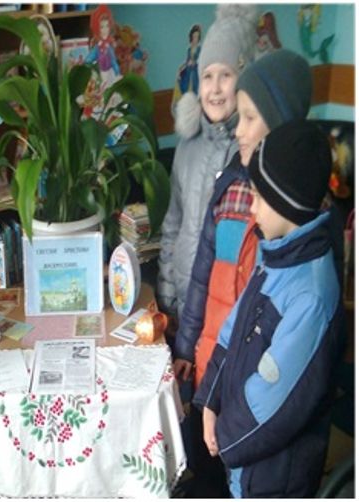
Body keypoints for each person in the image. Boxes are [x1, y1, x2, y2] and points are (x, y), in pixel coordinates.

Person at [194, 119, 344, 497]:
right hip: (245, 466)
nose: (252, 205)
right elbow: (231, 331)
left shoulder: (311, 296)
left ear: (286, 204)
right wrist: (210, 398)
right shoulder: (274, 254)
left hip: (274, 480)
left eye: (259, 197)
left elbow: (273, 404)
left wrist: (223, 436)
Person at [156, 4, 258, 319]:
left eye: (226, 76)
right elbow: (173, 224)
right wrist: (167, 292)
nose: (214, 89)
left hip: (228, 310)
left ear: (244, 79)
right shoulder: (187, 145)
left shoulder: (252, 149)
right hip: (184, 301)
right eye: (207, 76)